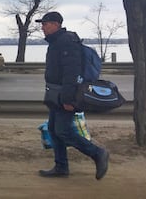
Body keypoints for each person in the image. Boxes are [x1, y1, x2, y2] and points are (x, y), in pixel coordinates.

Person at [35, 11, 109, 180]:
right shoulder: (56, 42)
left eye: (45, 24)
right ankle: (61, 167)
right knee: (54, 130)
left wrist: (68, 99)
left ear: (55, 24)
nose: (42, 27)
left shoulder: (67, 42)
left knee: (63, 131)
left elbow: (71, 73)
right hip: (55, 94)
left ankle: (98, 153)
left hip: (65, 95)